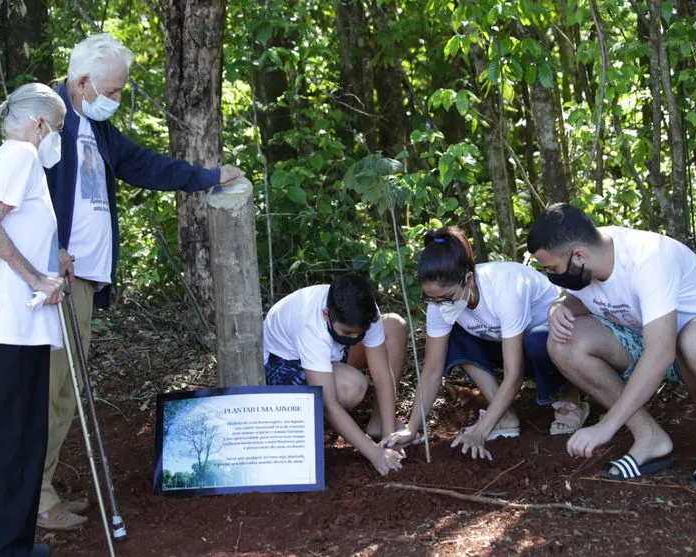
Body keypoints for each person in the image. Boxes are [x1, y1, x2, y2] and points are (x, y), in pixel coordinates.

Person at [39, 33, 245, 530]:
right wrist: (49, 253)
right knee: (49, 389)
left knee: (66, 388)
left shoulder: (97, 128)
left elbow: (143, 165)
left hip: (82, 280)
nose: (117, 99)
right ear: (82, 81)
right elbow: (23, 195)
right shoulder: (47, 120)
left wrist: (208, 175)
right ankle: (34, 498)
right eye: (111, 90)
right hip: (51, 280)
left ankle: (38, 485)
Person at [527, 203, 696, 486]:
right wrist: (558, 307)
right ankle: (649, 437)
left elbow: (660, 354)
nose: (551, 275)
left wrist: (606, 426)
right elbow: (575, 297)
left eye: (552, 268)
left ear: (579, 255)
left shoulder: (648, 258)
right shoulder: (587, 255)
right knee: (563, 341)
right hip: (654, 338)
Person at [0, 83, 67, 557]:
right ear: (40, 123)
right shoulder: (19, 155)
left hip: (19, 327)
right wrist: (36, 279)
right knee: (6, 437)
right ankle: (4, 546)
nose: (55, 139)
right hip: (1, 324)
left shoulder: (18, 160)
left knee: (24, 435)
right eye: (57, 129)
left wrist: (48, 270)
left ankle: (17, 542)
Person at [382, 227, 582, 460]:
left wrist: (480, 432)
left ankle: (570, 397)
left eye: (446, 298)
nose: (439, 305)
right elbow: (432, 371)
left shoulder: (505, 287)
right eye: (431, 299)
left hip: (550, 343)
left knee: (538, 341)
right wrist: (412, 428)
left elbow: (514, 374)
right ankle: (504, 415)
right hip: (502, 343)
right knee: (453, 335)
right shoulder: (440, 303)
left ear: (468, 280)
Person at [262, 272, 408, 476]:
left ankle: (379, 424)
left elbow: (383, 375)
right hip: (286, 364)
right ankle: (318, 428)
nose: (355, 338)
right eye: (348, 333)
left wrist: (389, 439)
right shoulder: (310, 324)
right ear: (326, 314)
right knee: (351, 387)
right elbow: (329, 404)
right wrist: (375, 454)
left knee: (393, 325)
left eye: (361, 333)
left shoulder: (366, 314)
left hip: (330, 354)